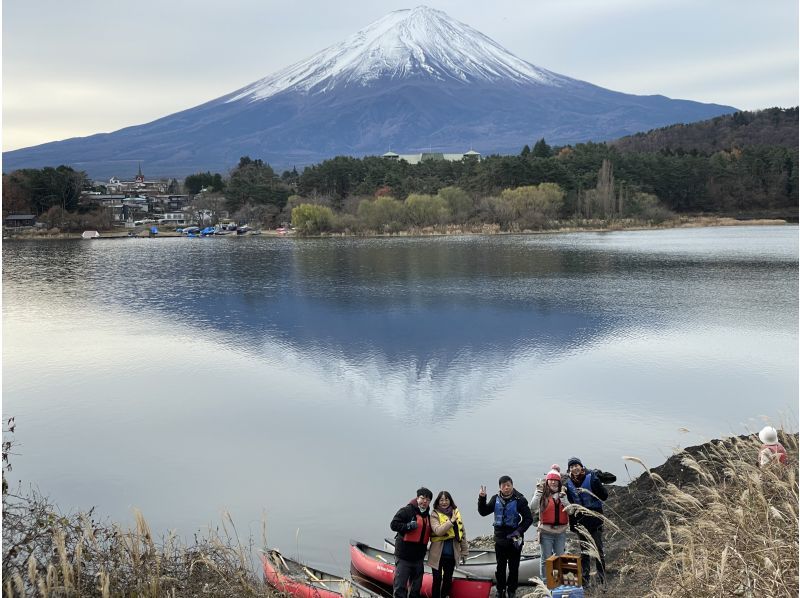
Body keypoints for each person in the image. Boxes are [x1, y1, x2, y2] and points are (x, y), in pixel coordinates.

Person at [478, 475, 533, 598]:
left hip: (515, 538)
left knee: (514, 567)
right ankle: (500, 590)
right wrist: (482, 499)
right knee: (500, 567)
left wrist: (519, 531)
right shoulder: (495, 499)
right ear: (500, 488)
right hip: (500, 539)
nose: (506, 488)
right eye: (504, 486)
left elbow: (528, 519)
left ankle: (512, 590)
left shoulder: (520, 500)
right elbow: (483, 512)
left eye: (508, 485)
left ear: (512, 485)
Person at [564, 457, 609, 587]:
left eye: (576, 465)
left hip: (595, 521)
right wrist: (573, 526)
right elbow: (571, 506)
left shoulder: (592, 478)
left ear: (581, 466)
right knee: (584, 553)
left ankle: (602, 580)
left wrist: (597, 482)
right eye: (572, 467)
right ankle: (585, 581)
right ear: (569, 470)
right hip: (581, 523)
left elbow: (604, 496)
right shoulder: (568, 485)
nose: (574, 468)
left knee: (598, 551)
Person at [390, 487, 433, 598]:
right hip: (404, 557)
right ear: (417, 498)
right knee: (400, 588)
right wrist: (407, 526)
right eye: (422, 498)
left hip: (418, 559)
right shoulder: (406, 511)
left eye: (427, 500)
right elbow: (393, 524)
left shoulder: (428, 516)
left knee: (415, 590)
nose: (424, 502)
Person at [530, 465, 570, 580]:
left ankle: (557, 581)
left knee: (559, 558)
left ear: (559, 482)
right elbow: (532, 507)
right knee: (546, 559)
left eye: (555, 480)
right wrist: (538, 492)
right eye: (551, 480)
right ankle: (546, 583)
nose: (553, 482)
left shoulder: (563, 493)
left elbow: (571, 511)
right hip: (546, 532)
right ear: (547, 481)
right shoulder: (542, 493)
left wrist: (564, 499)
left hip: (560, 532)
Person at [429, 490, 469, 598]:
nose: (444, 502)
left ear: (450, 501)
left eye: (446, 499)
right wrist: (451, 521)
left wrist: (464, 551)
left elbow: (462, 533)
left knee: (447, 579)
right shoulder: (434, 514)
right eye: (441, 500)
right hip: (437, 555)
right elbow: (438, 531)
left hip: (451, 554)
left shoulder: (456, 513)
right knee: (437, 579)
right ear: (438, 501)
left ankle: (444, 595)